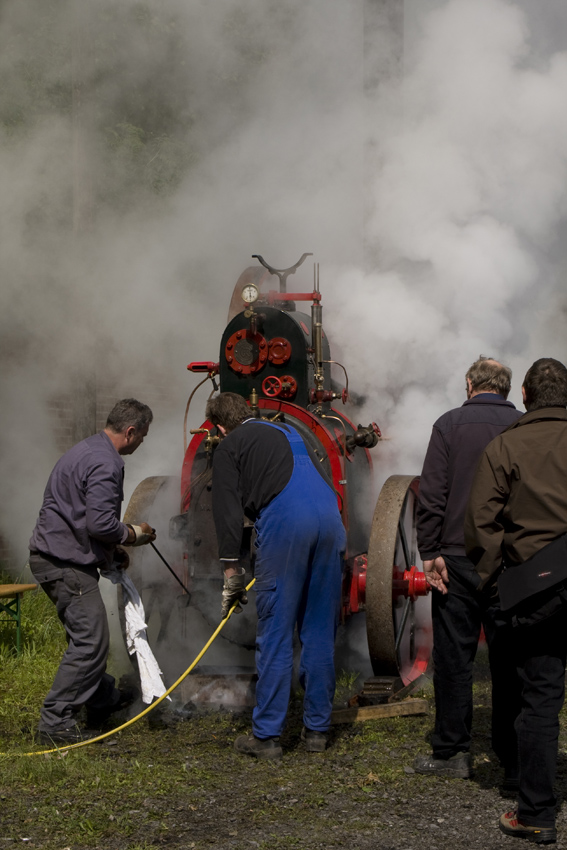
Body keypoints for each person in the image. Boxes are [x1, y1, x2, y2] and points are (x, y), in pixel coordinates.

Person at [206, 392, 346, 760]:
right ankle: (317, 730)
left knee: (277, 631)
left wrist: (231, 573)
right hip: (331, 520)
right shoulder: (288, 432)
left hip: (288, 524)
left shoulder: (228, 446)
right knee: (318, 630)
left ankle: (266, 736)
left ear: (220, 427)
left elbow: (226, 512)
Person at [465, 358, 567, 845]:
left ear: (524, 395)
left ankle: (537, 815)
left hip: (537, 588)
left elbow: (482, 528)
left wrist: (494, 585)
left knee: (540, 701)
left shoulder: (503, 447)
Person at [413, 356, 522, 781]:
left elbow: (433, 492)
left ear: (469, 384)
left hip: (456, 556)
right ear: (507, 389)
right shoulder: (523, 428)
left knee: (454, 655)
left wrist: (429, 550)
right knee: (509, 656)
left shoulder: (448, 424)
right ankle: (511, 756)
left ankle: (452, 752)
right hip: (509, 558)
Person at [29, 398, 157, 744]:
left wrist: (110, 553)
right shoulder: (105, 462)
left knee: (87, 635)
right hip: (63, 563)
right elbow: (100, 522)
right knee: (91, 642)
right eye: (143, 435)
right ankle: (55, 723)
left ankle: (101, 700)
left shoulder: (87, 449)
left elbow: (78, 515)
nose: (143, 441)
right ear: (130, 432)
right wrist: (135, 534)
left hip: (53, 556)